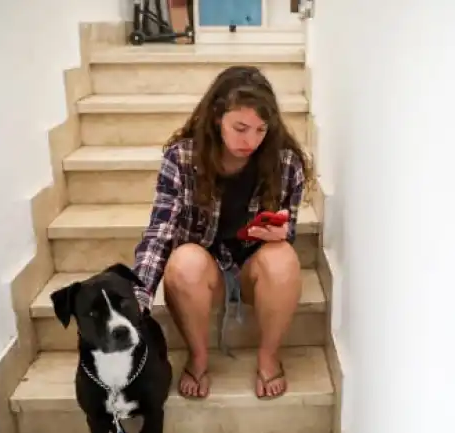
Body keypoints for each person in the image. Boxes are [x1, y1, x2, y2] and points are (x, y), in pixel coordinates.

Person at [130, 65, 316, 400]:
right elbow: (160, 232)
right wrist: (138, 298)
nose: (251, 141)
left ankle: (268, 356)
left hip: (251, 267)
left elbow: (287, 232)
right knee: (183, 261)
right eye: (240, 128)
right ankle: (198, 357)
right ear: (217, 117)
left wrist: (278, 237)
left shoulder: (286, 163)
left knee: (283, 257)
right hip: (204, 270)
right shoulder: (183, 157)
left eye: (261, 130)